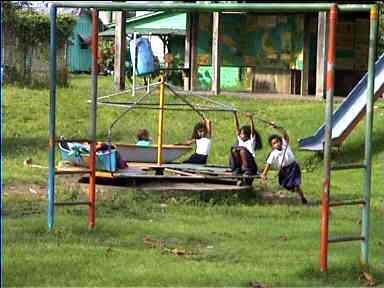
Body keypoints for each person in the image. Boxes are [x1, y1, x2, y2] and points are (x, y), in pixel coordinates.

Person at [261, 124, 308, 204]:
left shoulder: (285, 145)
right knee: (284, 184)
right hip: (284, 170)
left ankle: (302, 198)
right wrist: (264, 174)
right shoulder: (273, 153)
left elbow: (284, 133)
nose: (277, 144)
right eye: (274, 143)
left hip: (293, 167)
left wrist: (277, 127)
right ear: (272, 146)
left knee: (296, 184)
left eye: (277, 141)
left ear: (281, 141)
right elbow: (268, 164)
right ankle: (293, 189)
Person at [229, 112, 261, 179]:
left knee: (242, 151)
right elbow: (237, 127)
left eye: (242, 134)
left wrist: (251, 119)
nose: (240, 135)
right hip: (241, 164)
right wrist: (235, 115)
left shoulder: (251, 141)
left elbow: (252, 130)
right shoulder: (240, 140)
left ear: (247, 135)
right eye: (240, 134)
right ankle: (237, 168)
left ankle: (247, 170)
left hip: (251, 166)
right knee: (234, 150)